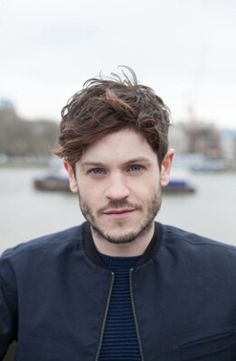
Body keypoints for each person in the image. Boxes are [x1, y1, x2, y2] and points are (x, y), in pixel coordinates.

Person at [1, 67, 236, 361]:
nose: (117, 191)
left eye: (135, 168)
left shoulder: (229, 275)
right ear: (71, 176)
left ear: (165, 168)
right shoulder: (15, 277)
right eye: (97, 171)